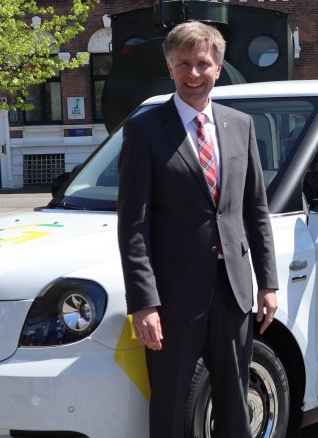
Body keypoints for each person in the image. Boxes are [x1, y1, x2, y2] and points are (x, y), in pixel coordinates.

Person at [116, 21, 278, 437]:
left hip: (234, 293)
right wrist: (144, 303)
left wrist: (268, 283)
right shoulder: (144, 129)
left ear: (218, 68)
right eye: (183, 63)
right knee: (170, 411)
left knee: (234, 408)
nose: (193, 73)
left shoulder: (240, 126)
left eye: (202, 63)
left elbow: (254, 211)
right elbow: (134, 225)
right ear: (169, 68)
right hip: (172, 302)